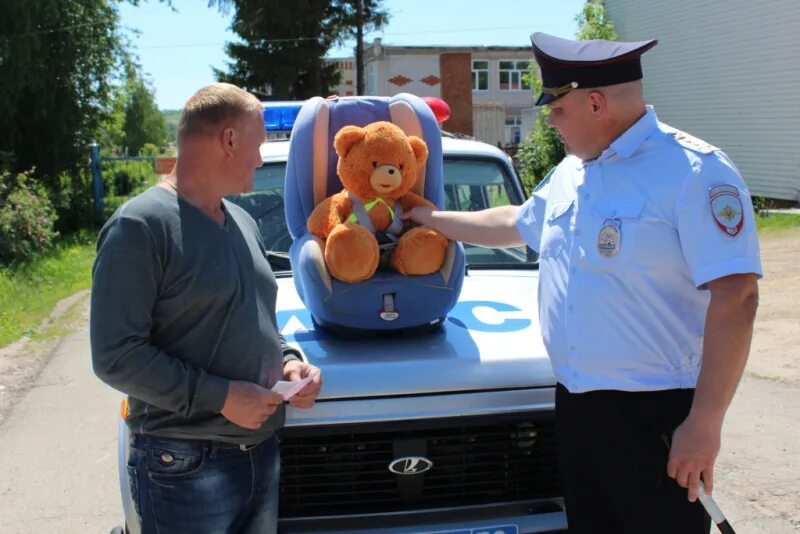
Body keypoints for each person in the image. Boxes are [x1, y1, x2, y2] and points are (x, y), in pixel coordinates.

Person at [403, 33, 761, 533]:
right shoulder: (573, 171)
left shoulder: (694, 172)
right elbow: (515, 221)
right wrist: (432, 219)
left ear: (595, 103)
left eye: (557, 108)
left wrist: (704, 423)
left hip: (654, 416)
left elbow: (737, 296)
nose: (549, 120)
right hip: (576, 407)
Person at [90, 83, 322, 534]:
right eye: (258, 144)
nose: (260, 158)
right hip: (183, 465)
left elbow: (257, 322)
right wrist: (222, 397)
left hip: (260, 454)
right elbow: (115, 356)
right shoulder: (140, 226)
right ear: (229, 140)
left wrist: (291, 365)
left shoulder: (242, 221)